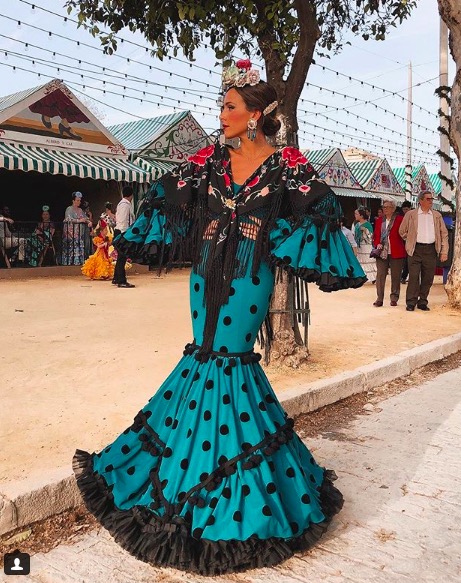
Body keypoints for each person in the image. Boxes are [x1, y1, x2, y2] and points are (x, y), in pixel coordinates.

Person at [72, 59, 366, 575]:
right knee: (203, 353)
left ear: (254, 114)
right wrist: (207, 227)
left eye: (229, 107)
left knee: (230, 358)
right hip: (205, 272)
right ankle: (189, 466)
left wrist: (269, 237)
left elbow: (322, 211)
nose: (221, 114)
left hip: (250, 277)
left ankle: (228, 483)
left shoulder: (287, 165)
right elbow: (166, 195)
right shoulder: (208, 160)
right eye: (221, 106)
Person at [399, 190, 449, 311]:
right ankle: (411, 302)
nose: (431, 201)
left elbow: (444, 234)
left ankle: (423, 301)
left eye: (432, 199)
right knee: (414, 276)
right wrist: (410, 240)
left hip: (431, 250)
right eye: (428, 199)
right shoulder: (411, 214)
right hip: (415, 249)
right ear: (421, 201)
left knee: (428, 277)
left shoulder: (437, 215)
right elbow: (402, 231)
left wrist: (444, 251)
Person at [372, 200, 406, 307]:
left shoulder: (400, 219)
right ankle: (379, 298)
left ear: (393, 208)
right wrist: (377, 243)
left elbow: (404, 233)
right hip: (382, 252)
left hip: (396, 251)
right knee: (380, 275)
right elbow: (376, 235)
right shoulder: (379, 221)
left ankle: (394, 298)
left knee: (396, 276)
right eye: (384, 207)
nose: (385, 209)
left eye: (387, 207)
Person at [112, 186, 135, 288]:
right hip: (122, 231)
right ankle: (121, 280)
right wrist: (126, 234)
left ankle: (116, 278)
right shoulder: (125, 205)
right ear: (131, 195)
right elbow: (124, 220)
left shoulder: (121, 204)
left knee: (121, 257)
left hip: (119, 230)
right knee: (122, 257)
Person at [62, 192, 92, 265]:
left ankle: (78, 262)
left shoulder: (80, 210)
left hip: (79, 233)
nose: (79, 202)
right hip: (71, 234)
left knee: (80, 246)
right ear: (73, 201)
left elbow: (85, 217)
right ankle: (69, 262)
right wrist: (79, 220)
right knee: (72, 247)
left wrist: (88, 221)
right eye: (77, 200)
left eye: (79, 200)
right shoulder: (69, 209)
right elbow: (68, 219)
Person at [353, 207, 377, 283]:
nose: (355, 215)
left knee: (367, 260)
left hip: (366, 246)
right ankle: (361, 277)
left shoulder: (368, 224)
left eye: (356, 214)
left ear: (361, 215)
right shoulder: (356, 225)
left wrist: (365, 230)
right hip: (359, 246)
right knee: (360, 260)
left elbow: (371, 236)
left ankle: (372, 277)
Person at [400, 200, 412, 283]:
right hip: (403, 241)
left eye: (406, 209)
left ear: (410, 208)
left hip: (412, 241)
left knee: (410, 260)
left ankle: (406, 277)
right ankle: (403, 277)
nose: (405, 211)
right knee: (405, 260)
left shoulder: (414, 217)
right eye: (404, 209)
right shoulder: (401, 218)